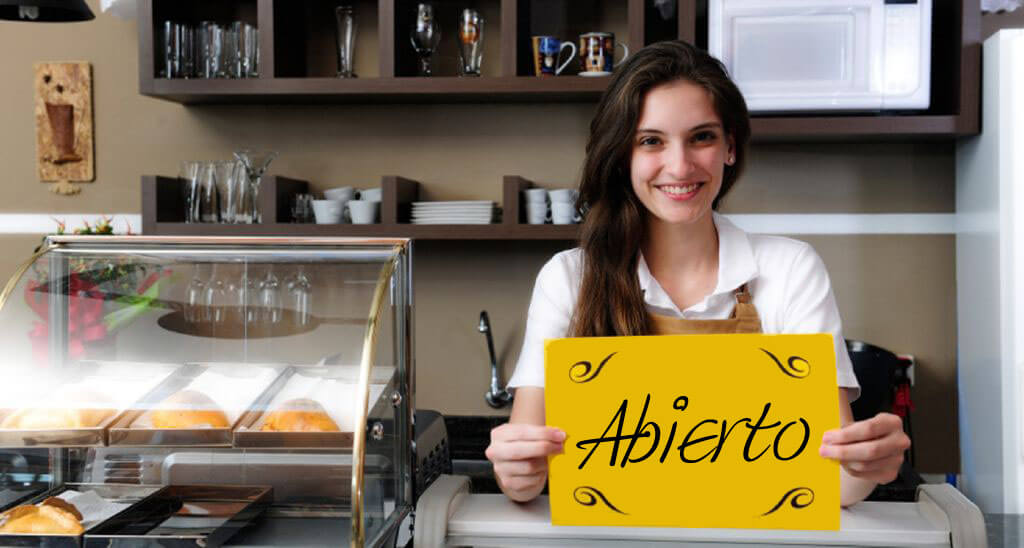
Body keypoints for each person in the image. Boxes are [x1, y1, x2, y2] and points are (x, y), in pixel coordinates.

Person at [484, 40, 911, 508]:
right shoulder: (568, 279)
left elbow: (832, 482)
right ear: (622, 155)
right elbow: (523, 480)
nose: (680, 165)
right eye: (651, 141)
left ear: (730, 146)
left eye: (701, 137)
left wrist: (867, 467)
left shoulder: (790, 269)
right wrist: (517, 470)